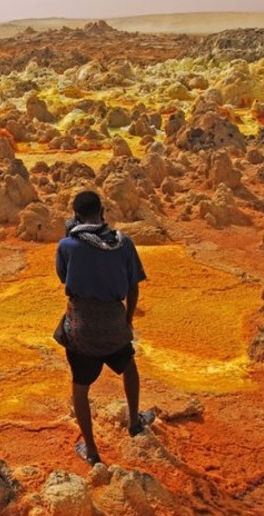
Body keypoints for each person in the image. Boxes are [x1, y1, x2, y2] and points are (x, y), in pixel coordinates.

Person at [55, 190, 153, 466]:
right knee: (128, 365)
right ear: (102, 212)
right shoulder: (124, 244)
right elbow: (133, 288)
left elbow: (64, 278)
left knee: (80, 386)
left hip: (81, 327)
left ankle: (92, 451)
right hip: (114, 323)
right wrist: (127, 321)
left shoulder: (67, 246)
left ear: (75, 215)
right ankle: (134, 422)